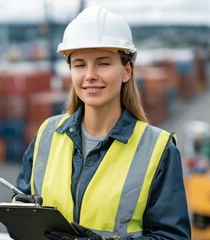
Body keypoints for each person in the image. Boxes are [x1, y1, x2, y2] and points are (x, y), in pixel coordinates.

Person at [14, 6, 191, 240]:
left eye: (103, 63)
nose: (90, 75)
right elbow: (18, 221)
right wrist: (22, 213)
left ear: (126, 70)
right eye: (79, 64)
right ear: (70, 71)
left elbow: (173, 237)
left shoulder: (158, 149)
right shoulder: (47, 134)